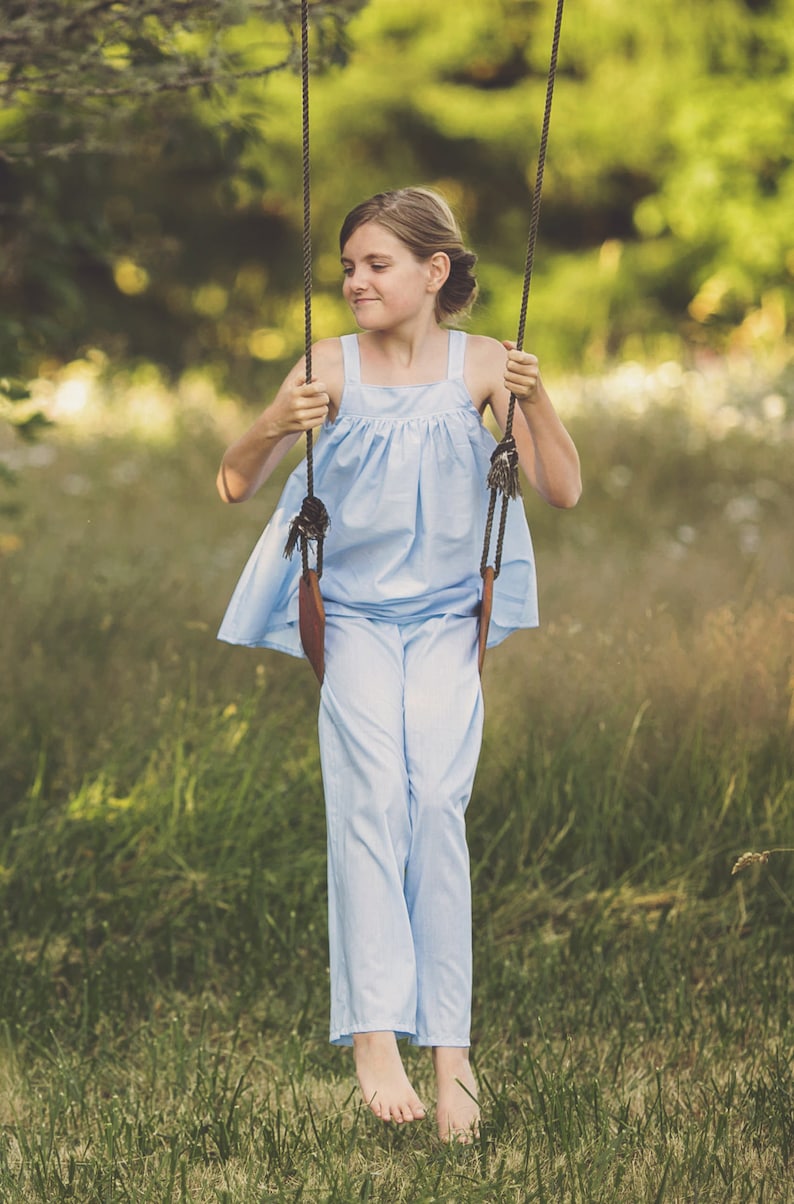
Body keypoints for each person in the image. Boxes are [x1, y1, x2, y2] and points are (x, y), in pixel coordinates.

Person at [216, 187, 581, 1141]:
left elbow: (563, 489)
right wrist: (271, 422)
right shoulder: (326, 366)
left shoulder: (488, 365)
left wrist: (538, 408)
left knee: (434, 805)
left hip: (450, 619)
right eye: (346, 267)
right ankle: (375, 1031)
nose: (354, 282)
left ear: (435, 272)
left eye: (375, 264)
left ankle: (451, 1053)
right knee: (374, 795)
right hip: (353, 620)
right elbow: (231, 481)